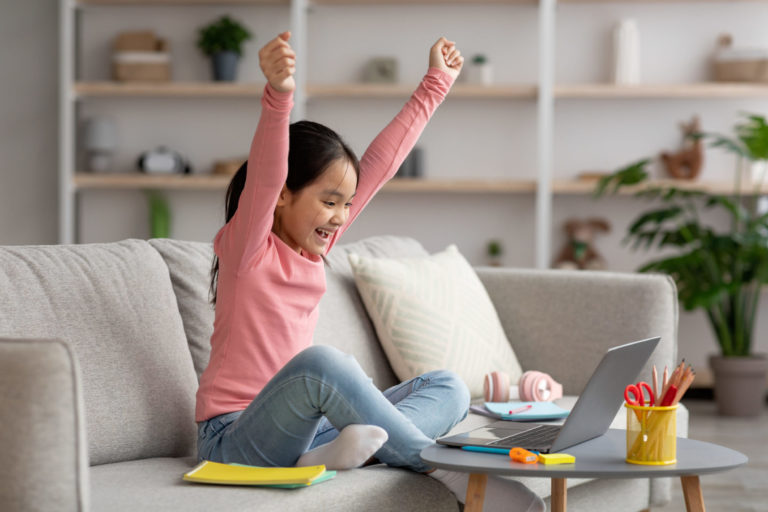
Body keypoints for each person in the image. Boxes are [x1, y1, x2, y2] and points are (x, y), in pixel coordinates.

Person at [196, 30, 544, 512]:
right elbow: (268, 172)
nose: (339, 216)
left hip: (307, 428)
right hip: (233, 440)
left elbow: (380, 164)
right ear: (281, 196)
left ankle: (324, 457)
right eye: (328, 201)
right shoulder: (247, 248)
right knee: (323, 363)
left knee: (447, 386)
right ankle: (445, 470)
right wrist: (279, 95)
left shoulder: (317, 247)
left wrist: (435, 85)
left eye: (346, 205)